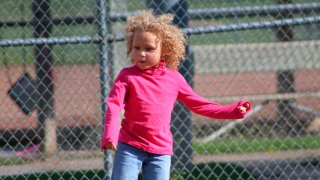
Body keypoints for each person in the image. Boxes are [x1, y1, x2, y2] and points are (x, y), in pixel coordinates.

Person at [101, 10, 251, 180]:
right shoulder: (126, 76)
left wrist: (233, 111)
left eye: (149, 49)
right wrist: (110, 134)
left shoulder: (174, 79)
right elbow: (114, 105)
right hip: (130, 146)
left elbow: (199, 105)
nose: (141, 53)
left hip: (160, 150)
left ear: (164, 50)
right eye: (137, 48)